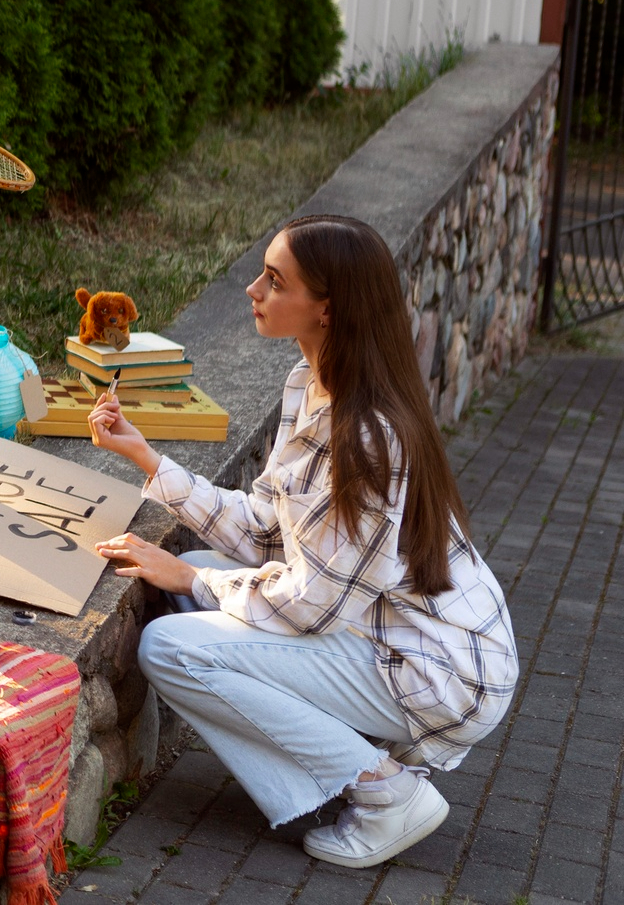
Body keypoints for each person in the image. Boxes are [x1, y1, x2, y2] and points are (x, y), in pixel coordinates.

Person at [88, 214, 516, 868]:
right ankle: (337, 770)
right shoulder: (310, 385)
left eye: (275, 281)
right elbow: (268, 530)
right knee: (197, 576)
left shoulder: (366, 439)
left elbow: (310, 606)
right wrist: (148, 460)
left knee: (171, 646)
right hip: (386, 628)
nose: (253, 290)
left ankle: (384, 791)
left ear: (327, 309)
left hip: (436, 670)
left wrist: (192, 579)